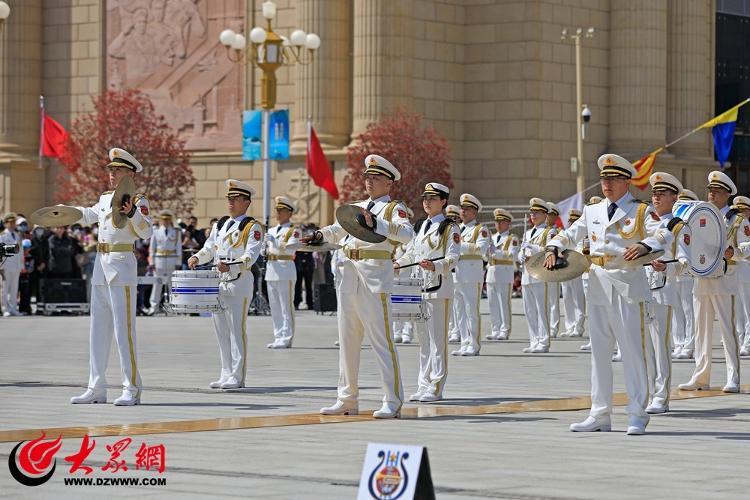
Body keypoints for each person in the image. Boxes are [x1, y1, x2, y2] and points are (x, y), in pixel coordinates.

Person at [544, 153, 671, 435]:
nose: (607, 183)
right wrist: (554, 247)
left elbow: (664, 233)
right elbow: (569, 234)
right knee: (599, 354)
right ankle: (599, 413)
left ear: (627, 182)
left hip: (627, 285)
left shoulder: (640, 211)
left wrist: (646, 246)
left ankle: (637, 413)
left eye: (613, 179)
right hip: (598, 284)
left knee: (633, 352)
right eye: (603, 178)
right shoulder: (592, 211)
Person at [304, 154, 413, 418]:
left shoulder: (392, 209)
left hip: (374, 278)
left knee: (381, 340)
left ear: (389, 183)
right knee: (348, 340)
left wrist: (376, 223)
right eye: (368, 177)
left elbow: (407, 233)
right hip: (348, 275)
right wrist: (320, 235)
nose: (369, 182)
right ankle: (347, 399)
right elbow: (336, 229)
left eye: (376, 178)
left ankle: (392, 399)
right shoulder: (358, 206)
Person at [70, 148, 153, 406]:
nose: (111, 174)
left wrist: (131, 213)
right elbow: (90, 214)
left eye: (116, 170)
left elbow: (146, 232)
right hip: (100, 266)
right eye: (110, 170)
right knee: (98, 330)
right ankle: (96, 387)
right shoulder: (105, 198)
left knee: (123, 330)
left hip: (121, 266)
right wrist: (64, 212)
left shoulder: (139, 201)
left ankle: (132, 387)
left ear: (129, 173)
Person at [188, 180, 264, 389]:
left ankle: (237, 376)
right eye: (229, 198)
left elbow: (251, 257)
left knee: (236, 330)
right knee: (221, 330)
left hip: (238, 282)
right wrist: (197, 257)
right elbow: (209, 248)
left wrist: (230, 267)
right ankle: (225, 371)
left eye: (236, 199)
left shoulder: (252, 227)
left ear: (246, 202)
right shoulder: (220, 224)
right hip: (218, 283)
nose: (230, 202)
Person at [679, 171, 747, 393]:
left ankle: (733, 377)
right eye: (710, 189)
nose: (711, 193)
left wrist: (734, 252)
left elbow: (747, 247)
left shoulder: (737, 220)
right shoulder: (700, 215)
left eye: (716, 191)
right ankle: (701, 376)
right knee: (702, 330)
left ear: (727, 194)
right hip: (701, 278)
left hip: (724, 278)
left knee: (728, 329)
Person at [395, 182, 460, 402]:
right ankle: (423, 384)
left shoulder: (450, 228)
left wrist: (435, 265)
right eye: (425, 198)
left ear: (443, 201)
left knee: (437, 340)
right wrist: (398, 263)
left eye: (432, 198)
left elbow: (453, 258)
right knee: (423, 340)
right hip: (418, 288)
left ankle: (436, 385)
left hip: (437, 288)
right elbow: (411, 253)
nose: (427, 202)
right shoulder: (420, 226)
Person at [643, 172, 691, 414]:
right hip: (640, 288)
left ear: (674, 198)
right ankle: (647, 391)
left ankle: (661, 396)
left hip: (662, 287)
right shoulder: (644, 222)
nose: (656, 197)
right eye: (654, 193)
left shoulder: (678, 226)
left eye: (662, 194)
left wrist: (667, 266)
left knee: (660, 345)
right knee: (643, 346)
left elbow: (685, 262)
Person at [451, 193, 490, 356]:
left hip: (471, 274)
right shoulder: (457, 229)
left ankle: (473, 344)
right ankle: (464, 342)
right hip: (458, 274)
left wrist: (460, 245)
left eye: (467, 209)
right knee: (459, 311)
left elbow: (480, 249)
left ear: (474, 212)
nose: (463, 212)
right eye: (462, 209)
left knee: (471, 310)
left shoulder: (481, 229)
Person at [519, 198, 556, 353]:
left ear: (545, 214)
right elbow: (522, 251)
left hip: (541, 273)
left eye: (537, 212)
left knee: (542, 309)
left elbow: (549, 250)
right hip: (527, 274)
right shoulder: (527, 233)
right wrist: (520, 256)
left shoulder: (550, 232)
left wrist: (532, 247)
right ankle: (534, 340)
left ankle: (544, 341)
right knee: (529, 310)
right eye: (531, 212)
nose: (533, 215)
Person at [265, 196, 301, 349]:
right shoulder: (272, 230)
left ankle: (286, 337)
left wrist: (275, 241)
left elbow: (291, 248)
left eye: (281, 210)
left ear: (289, 213)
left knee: (286, 305)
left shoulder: (294, 230)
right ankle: (278, 335)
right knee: (275, 306)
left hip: (285, 269)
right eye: (277, 210)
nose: (278, 213)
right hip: (271, 268)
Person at [673, 189, 699, 359]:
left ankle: (689, 345)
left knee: (689, 310)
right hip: (673, 271)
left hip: (688, 272)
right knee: (676, 309)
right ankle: (678, 343)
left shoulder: (695, 225)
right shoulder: (673, 224)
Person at [486, 208, 518, 340]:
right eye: (496, 221)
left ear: (508, 223)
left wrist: (496, 253)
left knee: (504, 303)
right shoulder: (492, 238)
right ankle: (495, 329)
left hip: (504, 273)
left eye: (501, 221)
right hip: (491, 272)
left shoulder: (512, 238)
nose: (498, 224)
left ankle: (504, 329)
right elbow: (485, 257)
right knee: (492, 303)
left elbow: (513, 255)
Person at [147, 210, 182, 315]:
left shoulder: (176, 232)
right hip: (159, 260)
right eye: (164, 220)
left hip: (172, 259)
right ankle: (154, 307)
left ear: (170, 220)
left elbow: (178, 247)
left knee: (173, 285)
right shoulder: (155, 232)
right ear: (161, 221)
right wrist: (151, 262)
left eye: (167, 220)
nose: (165, 222)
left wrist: (178, 262)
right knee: (157, 284)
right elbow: (152, 248)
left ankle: (174, 307)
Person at [559, 209, 586, 338]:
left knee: (577, 298)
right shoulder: (566, 235)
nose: (571, 223)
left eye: (574, 221)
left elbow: (580, 251)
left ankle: (578, 326)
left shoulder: (582, 236)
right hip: (565, 270)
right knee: (567, 298)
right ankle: (569, 326)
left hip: (576, 270)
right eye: (570, 221)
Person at [0, 213, 23, 316]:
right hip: (6, 265)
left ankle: (13, 308)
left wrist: (21, 266)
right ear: (6, 224)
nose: (13, 224)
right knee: (5, 289)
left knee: (14, 288)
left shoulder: (17, 235)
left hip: (16, 265)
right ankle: (5, 309)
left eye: (14, 222)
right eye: (10, 223)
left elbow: (21, 251)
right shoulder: (2, 236)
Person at [445, 204, 462, 343]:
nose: (451, 220)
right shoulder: (446, 231)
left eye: (453, 217)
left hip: (461, 272)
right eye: (449, 217)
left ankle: (457, 330)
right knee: (452, 304)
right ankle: (452, 329)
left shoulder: (459, 231)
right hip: (450, 272)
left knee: (459, 306)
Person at [735, 196, 750, 357]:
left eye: (744, 210)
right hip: (734, 272)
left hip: (746, 270)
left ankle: (748, 342)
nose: (741, 213)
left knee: (747, 310)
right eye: (738, 210)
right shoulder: (733, 223)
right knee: (736, 310)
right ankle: (740, 340)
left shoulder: (746, 226)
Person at [546, 202, 562, 338]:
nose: (547, 217)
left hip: (553, 268)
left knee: (553, 299)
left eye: (550, 215)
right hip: (541, 270)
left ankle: (553, 327)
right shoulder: (541, 231)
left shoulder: (556, 232)